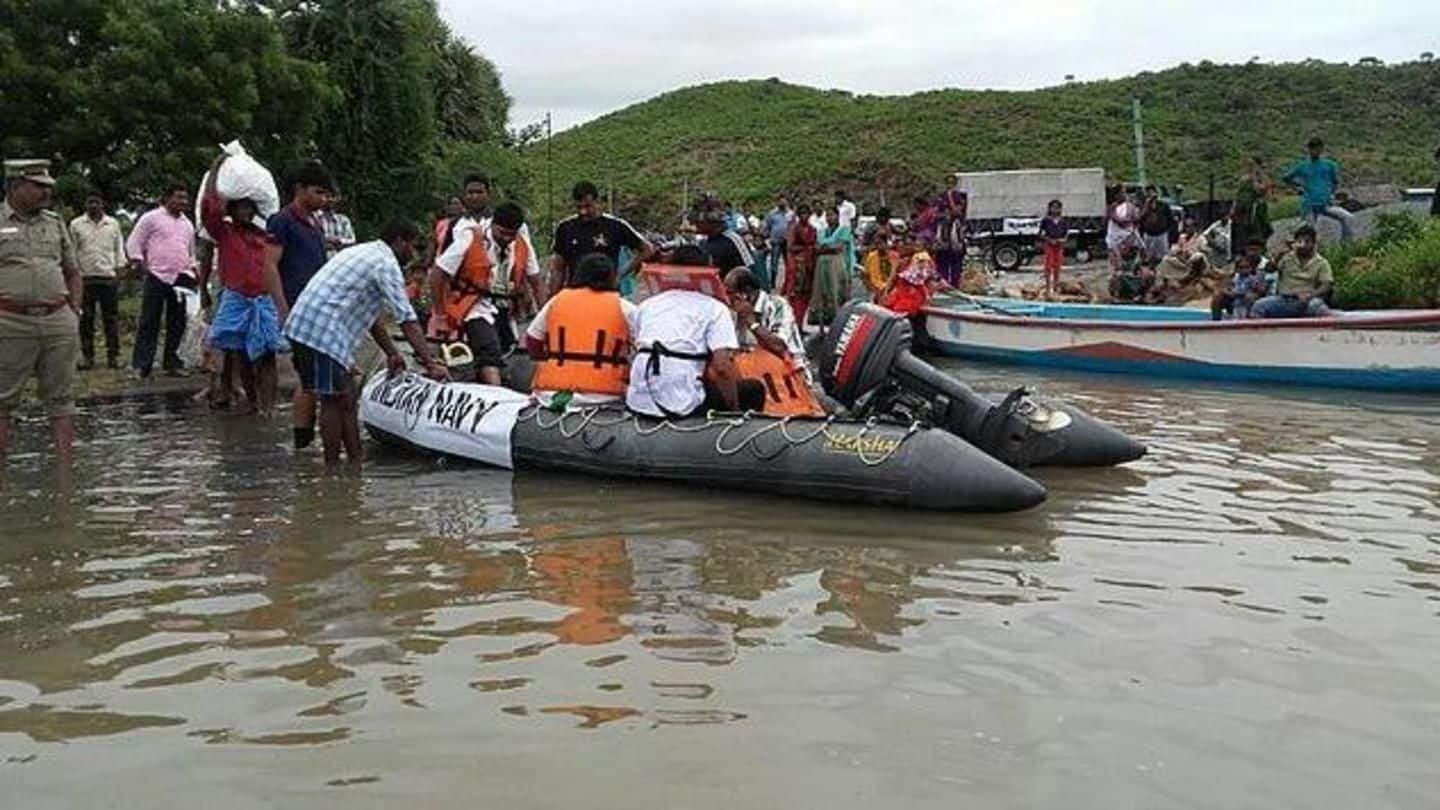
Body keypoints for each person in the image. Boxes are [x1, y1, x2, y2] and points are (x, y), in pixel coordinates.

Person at [283, 220, 448, 466]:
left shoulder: (365, 252)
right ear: (401, 241)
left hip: (310, 326)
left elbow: (373, 319)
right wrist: (430, 363)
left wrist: (392, 353)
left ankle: (354, 462)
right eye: (413, 248)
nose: (413, 255)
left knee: (347, 397)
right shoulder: (385, 263)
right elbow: (406, 319)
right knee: (333, 399)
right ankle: (332, 472)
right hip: (320, 331)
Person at [0, 159, 83, 463]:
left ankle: (65, 476)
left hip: (58, 319)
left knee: (62, 401)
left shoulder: (54, 221)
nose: (46, 192)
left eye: (48, 186)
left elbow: (73, 271)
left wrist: (75, 311)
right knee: (2, 400)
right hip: (8, 321)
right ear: (15, 186)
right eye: (38, 186)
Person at [626, 245, 763, 418]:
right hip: (680, 402)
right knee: (753, 389)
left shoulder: (647, 305)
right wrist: (734, 411)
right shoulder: (715, 308)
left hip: (638, 399)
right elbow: (722, 367)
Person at [198, 153, 287, 415]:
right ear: (232, 210)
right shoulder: (224, 232)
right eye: (241, 207)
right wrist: (216, 170)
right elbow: (209, 208)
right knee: (241, 354)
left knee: (268, 355)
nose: (246, 212)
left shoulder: (265, 235)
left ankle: (267, 409)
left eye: (250, 207)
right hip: (236, 298)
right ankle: (253, 403)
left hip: (263, 298)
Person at [430, 201, 544, 385]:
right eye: (502, 233)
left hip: (505, 308)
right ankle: (495, 394)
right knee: (489, 350)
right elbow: (438, 273)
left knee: (507, 351)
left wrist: (544, 318)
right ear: (492, 225)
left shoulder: (522, 244)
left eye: (511, 235)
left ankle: (496, 384)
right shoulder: (470, 238)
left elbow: (536, 282)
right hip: (473, 306)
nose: (506, 238)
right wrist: (440, 315)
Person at [266, 160, 334, 447]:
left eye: (326, 194)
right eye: (318, 192)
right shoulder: (282, 221)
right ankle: (302, 445)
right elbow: (269, 265)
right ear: (299, 189)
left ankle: (308, 444)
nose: (323, 199)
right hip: (299, 312)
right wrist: (283, 310)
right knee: (310, 381)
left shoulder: (315, 223)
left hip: (319, 312)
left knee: (321, 380)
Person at [526, 253, 638, 408]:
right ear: (612, 278)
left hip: (550, 393)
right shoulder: (625, 308)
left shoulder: (557, 301)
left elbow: (532, 341)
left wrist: (549, 360)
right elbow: (643, 349)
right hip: (604, 396)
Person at [724, 267, 824, 416]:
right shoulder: (731, 311)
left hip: (788, 378)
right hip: (755, 378)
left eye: (730, 293)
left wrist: (752, 322)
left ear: (746, 293)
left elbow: (779, 346)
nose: (727, 298)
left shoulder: (778, 305)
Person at [126, 184, 196, 378]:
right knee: (149, 320)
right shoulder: (151, 218)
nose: (183, 202)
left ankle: (173, 362)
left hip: (181, 277)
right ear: (167, 198)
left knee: (178, 322)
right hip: (156, 275)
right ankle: (142, 365)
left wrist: (193, 269)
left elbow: (190, 251)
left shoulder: (187, 224)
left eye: (185, 198)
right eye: (178, 197)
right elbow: (134, 242)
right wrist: (138, 262)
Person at [549, 180, 654, 293]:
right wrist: (553, 296)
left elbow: (647, 249)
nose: (583, 212)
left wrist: (621, 274)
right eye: (579, 207)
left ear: (597, 202)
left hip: (607, 292)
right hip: (577, 293)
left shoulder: (615, 226)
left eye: (588, 206)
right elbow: (558, 268)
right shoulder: (565, 228)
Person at [68, 192, 126, 370]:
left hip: (108, 277)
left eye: (96, 202)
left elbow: (119, 249)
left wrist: (120, 269)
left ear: (102, 204)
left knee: (111, 319)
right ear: (85, 205)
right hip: (85, 278)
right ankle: (88, 357)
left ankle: (113, 356)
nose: (93, 206)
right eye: (90, 202)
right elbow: (71, 251)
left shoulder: (112, 224)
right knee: (86, 320)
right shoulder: (76, 224)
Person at [1252, 225, 1333, 319]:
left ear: (1313, 243)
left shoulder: (1321, 262)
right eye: (1300, 241)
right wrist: (1278, 256)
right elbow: (1269, 269)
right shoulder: (1286, 257)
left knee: (1317, 307)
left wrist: (1311, 295)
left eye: (1307, 242)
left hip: (1308, 299)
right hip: (1285, 299)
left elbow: (1326, 284)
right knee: (1259, 306)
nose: (1304, 245)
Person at [1283, 137, 1354, 243]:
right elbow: (1286, 177)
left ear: (1321, 149)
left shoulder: (1329, 165)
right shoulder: (1303, 166)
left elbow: (1335, 182)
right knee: (1310, 231)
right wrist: (1298, 187)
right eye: (1312, 149)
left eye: (1317, 148)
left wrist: (1332, 194)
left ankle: (1346, 244)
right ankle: (1294, 241)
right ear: (1309, 150)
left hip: (1326, 203)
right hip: (1309, 205)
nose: (1314, 151)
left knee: (1348, 217)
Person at [811, 207, 856, 327]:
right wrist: (827, 248)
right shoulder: (821, 231)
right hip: (822, 264)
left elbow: (839, 248)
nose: (829, 218)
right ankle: (823, 319)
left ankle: (839, 320)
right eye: (827, 216)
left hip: (836, 264)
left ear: (837, 216)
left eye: (832, 215)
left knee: (837, 289)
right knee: (822, 290)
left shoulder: (844, 230)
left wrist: (824, 248)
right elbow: (816, 248)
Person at [784, 202, 818, 326]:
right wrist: (806, 248)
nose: (804, 216)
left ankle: (800, 322)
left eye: (806, 213)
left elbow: (815, 244)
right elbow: (790, 247)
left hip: (809, 265)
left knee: (806, 295)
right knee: (795, 295)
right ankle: (794, 323)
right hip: (797, 266)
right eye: (802, 213)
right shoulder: (794, 229)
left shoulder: (812, 229)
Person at [695, 205, 754, 273]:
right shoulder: (704, 242)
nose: (697, 224)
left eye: (701, 222)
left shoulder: (733, 239)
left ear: (713, 223)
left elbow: (749, 266)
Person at [1210, 253, 1268, 321]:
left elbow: (1260, 289)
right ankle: (1216, 321)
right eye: (1241, 268)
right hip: (1236, 302)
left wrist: (1255, 291)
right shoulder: (1236, 278)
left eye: (1246, 268)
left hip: (1246, 302)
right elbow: (1227, 287)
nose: (1244, 270)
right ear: (1237, 269)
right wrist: (1228, 292)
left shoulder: (1253, 278)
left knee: (1246, 307)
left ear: (1251, 268)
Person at [1232, 156, 1273, 248]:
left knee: (1258, 229)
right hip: (1243, 208)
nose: (1249, 167)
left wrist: (1255, 176)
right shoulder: (1244, 178)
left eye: (1252, 165)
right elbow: (1238, 194)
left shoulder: (1262, 178)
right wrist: (1234, 208)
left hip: (1256, 208)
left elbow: (1260, 190)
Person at [932, 190, 967, 286]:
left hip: (955, 245)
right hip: (943, 245)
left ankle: (954, 285)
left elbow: (957, 212)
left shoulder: (958, 220)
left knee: (956, 267)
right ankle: (944, 285)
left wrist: (950, 196)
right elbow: (935, 214)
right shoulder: (940, 220)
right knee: (942, 266)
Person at [1038, 199, 1067, 295]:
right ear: (1049, 209)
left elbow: (1066, 234)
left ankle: (1056, 285)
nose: (1055, 210)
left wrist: (1062, 240)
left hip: (1059, 245)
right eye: (1053, 208)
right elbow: (1040, 234)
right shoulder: (1046, 220)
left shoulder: (1062, 221)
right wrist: (1049, 240)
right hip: (1049, 244)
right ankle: (1047, 286)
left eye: (1057, 208)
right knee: (1048, 265)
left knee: (1057, 265)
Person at [1106, 189, 1140, 270]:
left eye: (1124, 193)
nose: (1124, 195)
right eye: (1121, 193)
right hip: (1115, 239)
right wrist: (1128, 220)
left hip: (1128, 237)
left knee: (1132, 260)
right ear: (1116, 195)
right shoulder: (1112, 207)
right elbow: (1117, 220)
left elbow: (1136, 219)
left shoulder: (1130, 206)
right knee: (1116, 263)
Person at [1137, 185, 1173, 263]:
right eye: (1148, 192)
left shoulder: (1164, 205)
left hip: (1161, 234)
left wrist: (1167, 231)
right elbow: (1139, 218)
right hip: (1148, 234)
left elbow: (1170, 219)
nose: (1151, 194)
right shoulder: (1143, 206)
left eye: (1152, 192)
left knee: (1163, 257)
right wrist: (1146, 205)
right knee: (1147, 257)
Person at [764, 196, 793, 292]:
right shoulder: (772, 214)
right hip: (776, 241)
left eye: (784, 200)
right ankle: (772, 283)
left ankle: (788, 282)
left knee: (788, 262)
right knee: (774, 262)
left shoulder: (790, 213)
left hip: (787, 241)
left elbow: (793, 225)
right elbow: (767, 226)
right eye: (780, 200)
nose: (782, 202)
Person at [318, 194, 356, 258]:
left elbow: (352, 241)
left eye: (333, 197)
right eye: (327, 197)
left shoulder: (343, 220)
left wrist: (338, 241)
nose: (330, 200)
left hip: (340, 260)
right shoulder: (314, 218)